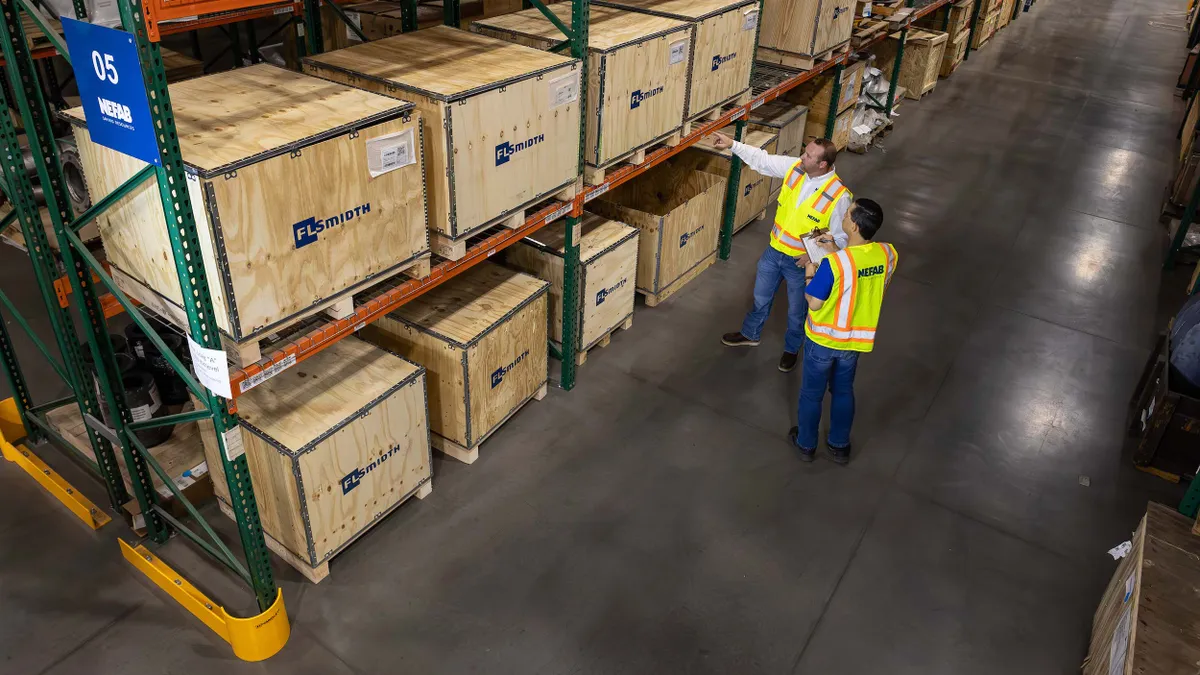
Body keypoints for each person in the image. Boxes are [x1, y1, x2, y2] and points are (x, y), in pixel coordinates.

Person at [710, 133, 853, 373]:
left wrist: (812, 258)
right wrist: (732, 144)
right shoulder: (796, 169)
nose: (802, 157)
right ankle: (750, 334)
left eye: (808, 155)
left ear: (823, 165)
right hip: (774, 252)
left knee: (797, 311)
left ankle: (791, 349)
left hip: (801, 263)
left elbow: (841, 239)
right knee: (760, 298)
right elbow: (763, 160)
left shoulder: (839, 196)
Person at [788, 198, 896, 465]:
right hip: (854, 342)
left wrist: (811, 270)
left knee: (812, 395)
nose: (844, 217)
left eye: (847, 215)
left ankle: (806, 444)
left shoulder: (833, 265)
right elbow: (865, 277)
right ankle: (839, 445)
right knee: (844, 391)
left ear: (855, 226)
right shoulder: (888, 253)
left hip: (823, 340)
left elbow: (814, 303)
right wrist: (836, 248)